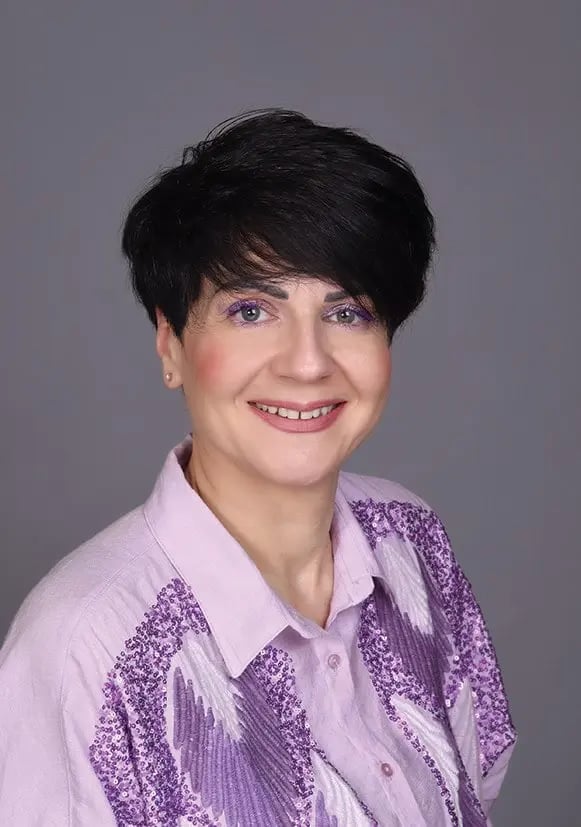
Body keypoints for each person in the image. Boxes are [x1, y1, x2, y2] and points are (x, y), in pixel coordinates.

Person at [0, 109, 516, 826]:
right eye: (250, 310)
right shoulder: (85, 648)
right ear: (171, 344)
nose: (307, 363)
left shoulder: (410, 542)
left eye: (347, 313)